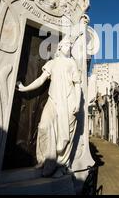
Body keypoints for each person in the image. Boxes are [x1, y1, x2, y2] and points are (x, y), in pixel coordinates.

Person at [17, 38, 81, 177]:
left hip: (68, 102)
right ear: (60, 47)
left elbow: (77, 84)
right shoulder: (51, 63)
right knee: (43, 126)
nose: (69, 47)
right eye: (67, 45)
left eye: (70, 45)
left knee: (63, 140)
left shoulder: (72, 63)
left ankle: (60, 165)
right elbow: (41, 80)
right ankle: (44, 159)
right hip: (53, 100)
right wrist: (25, 88)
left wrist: (77, 103)